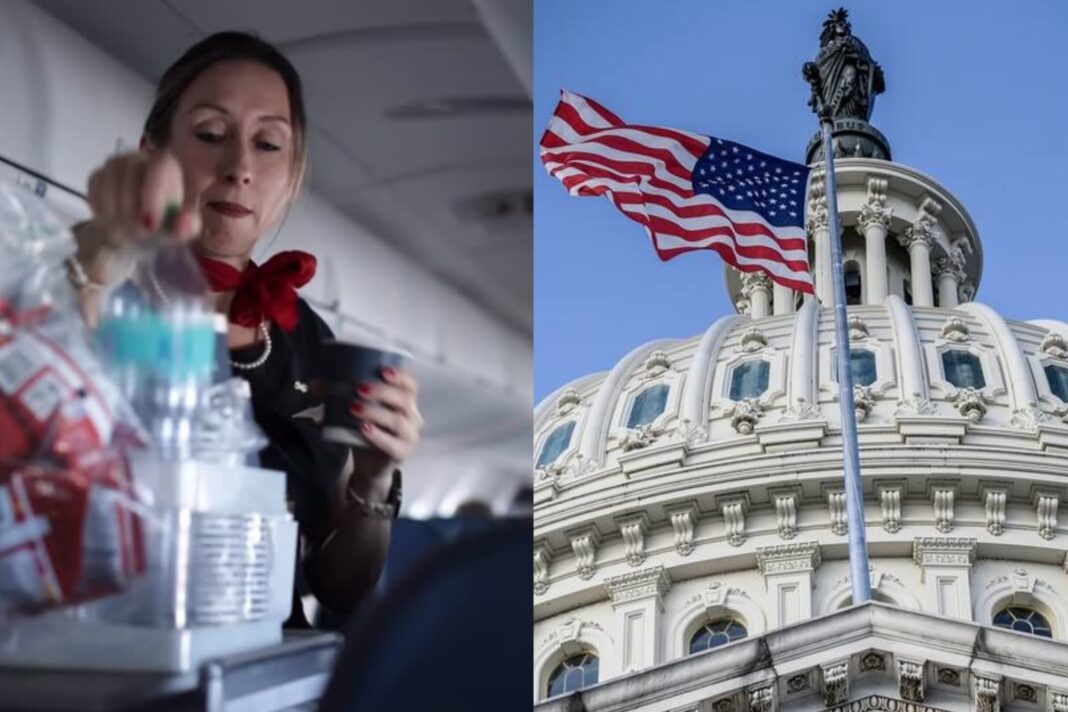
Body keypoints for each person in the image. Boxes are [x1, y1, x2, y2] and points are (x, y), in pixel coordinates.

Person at [66, 32, 423, 627]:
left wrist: (375, 476)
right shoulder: (93, 295)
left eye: (268, 144)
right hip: (114, 654)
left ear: (293, 176)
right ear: (151, 154)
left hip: (268, 664)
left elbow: (340, 588)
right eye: (210, 135)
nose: (239, 170)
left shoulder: (311, 342)